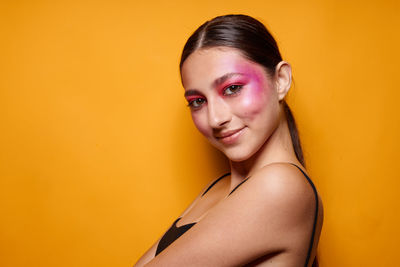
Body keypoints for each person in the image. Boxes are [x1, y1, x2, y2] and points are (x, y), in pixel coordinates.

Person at [134, 14, 323, 267]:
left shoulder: (279, 187)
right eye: (197, 101)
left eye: (232, 88)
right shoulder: (216, 189)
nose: (215, 118)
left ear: (281, 80)